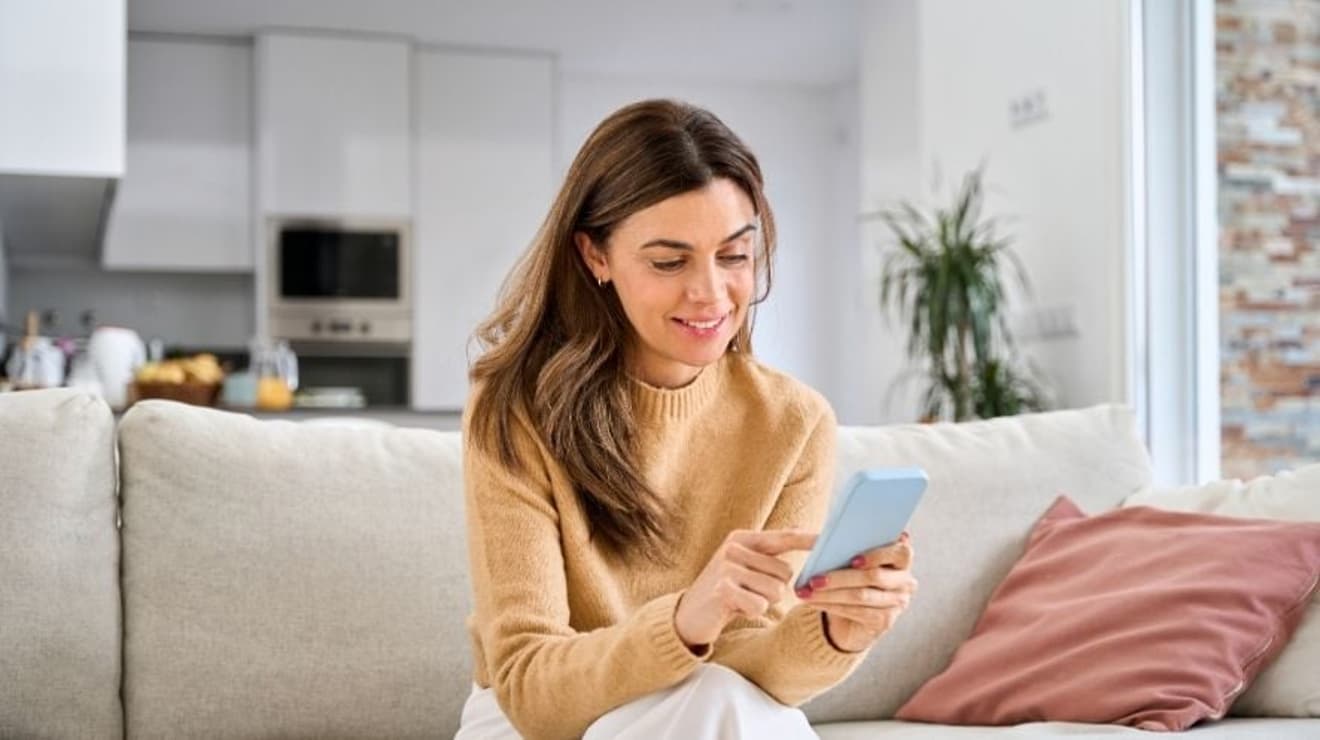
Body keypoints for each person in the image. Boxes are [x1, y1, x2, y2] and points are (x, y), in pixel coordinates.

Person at [455, 99, 917, 740]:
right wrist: (683, 622)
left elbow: (756, 670)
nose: (710, 292)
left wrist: (837, 632)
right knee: (718, 702)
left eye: (734, 256)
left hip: (709, 706)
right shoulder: (514, 408)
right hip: (537, 723)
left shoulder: (795, 422)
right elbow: (532, 689)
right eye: (669, 262)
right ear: (595, 257)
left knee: (723, 699)